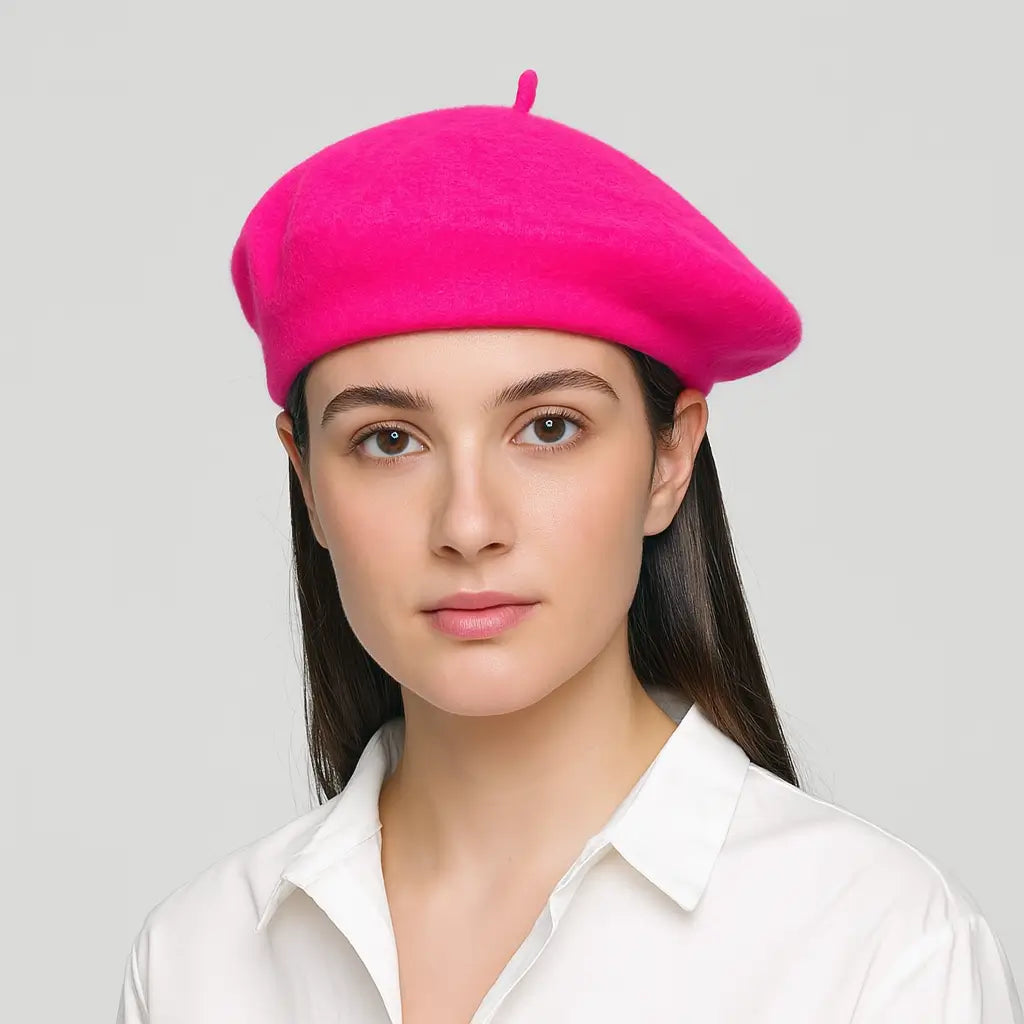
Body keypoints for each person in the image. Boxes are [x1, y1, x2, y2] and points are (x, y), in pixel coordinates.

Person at [114, 69, 1022, 1023]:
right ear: (307, 479)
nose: (468, 526)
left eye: (549, 428)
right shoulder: (197, 963)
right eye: (389, 441)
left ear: (669, 459)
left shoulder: (876, 950)